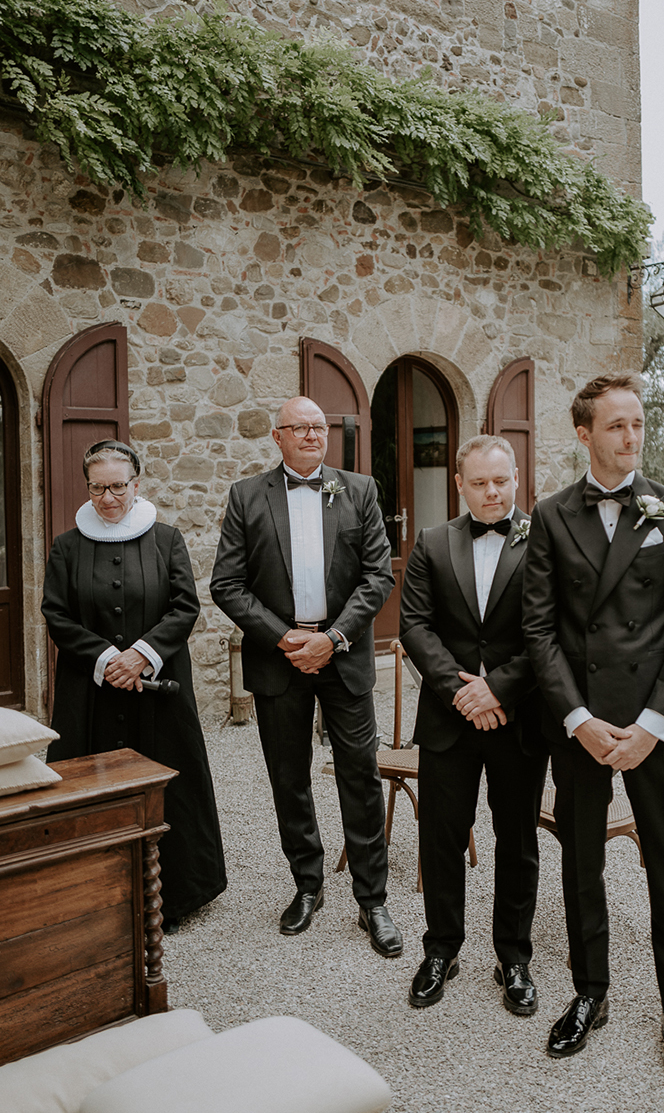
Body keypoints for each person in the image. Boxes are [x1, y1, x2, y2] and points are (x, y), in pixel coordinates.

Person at [521, 372, 664, 1084]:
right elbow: (537, 628)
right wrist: (578, 719)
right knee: (581, 865)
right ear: (584, 433)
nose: (631, 437)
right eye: (616, 426)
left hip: (654, 725)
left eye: (637, 424)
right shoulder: (550, 514)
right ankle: (589, 993)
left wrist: (651, 725)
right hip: (579, 726)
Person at [209, 396, 401, 956]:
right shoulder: (247, 496)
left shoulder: (360, 489)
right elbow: (227, 583)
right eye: (302, 428)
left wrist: (332, 638)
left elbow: (376, 576)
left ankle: (373, 900)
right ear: (278, 436)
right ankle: (308, 885)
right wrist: (284, 637)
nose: (315, 436)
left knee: (360, 777)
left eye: (321, 427)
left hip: (342, 654)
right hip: (280, 659)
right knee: (288, 778)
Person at [42, 440, 226, 933]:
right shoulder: (67, 546)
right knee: (93, 788)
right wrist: (107, 659)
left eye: (117, 487)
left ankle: (181, 894)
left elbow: (185, 607)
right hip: (93, 693)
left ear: (137, 484)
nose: (107, 498)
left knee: (167, 784)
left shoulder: (166, 539)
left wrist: (142, 655)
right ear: (88, 487)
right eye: (97, 487)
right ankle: (94, 896)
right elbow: (56, 615)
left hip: (158, 689)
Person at [398, 435, 548, 1014]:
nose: (492, 492)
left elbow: (549, 630)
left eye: (501, 481)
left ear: (517, 479)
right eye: (480, 482)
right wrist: (464, 693)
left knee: (516, 842)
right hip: (449, 718)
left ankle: (513, 956)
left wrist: (498, 689)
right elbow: (414, 626)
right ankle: (440, 948)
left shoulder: (544, 542)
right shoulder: (433, 543)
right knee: (440, 838)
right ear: (460, 484)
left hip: (518, 719)